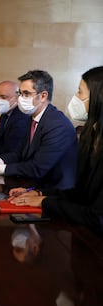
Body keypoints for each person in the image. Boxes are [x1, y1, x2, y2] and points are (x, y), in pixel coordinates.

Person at [9, 66, 103, 234]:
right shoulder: (91, 137)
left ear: (98, 98)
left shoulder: (57, 124)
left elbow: (97, 217)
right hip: (80, 231)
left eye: (80, 93)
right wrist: (38, 193)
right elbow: (77, 190)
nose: (75, 98)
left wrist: (44, 201)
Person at [0, 70, 78, 190]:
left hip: (54, 192)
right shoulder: (33, 117)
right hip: (35, 184)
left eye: (26, 94)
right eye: (20, 94)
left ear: (43, 96)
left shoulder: (57, 125)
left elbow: (37, 168)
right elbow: (19, 153)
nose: (20, 99)